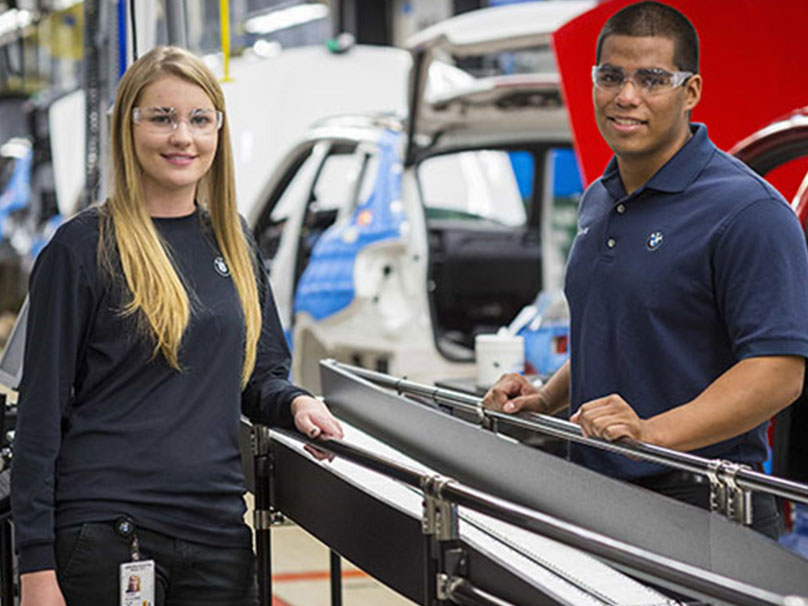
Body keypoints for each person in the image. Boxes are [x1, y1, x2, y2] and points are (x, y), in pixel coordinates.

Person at [11, 45, 343, 606]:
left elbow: (260, 375)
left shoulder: (232, 242)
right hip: (108, 532)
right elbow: (39, 416)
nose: (182, 137)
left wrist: (295, 402)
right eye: (162, 118)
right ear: (129, 127)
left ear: (219, 130)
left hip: (217, 535)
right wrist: (36, 566)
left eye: (199, 119)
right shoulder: (82, 248)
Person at [483, 1, 808, 539]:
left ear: (692, 91)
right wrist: (546, 397)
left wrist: (652, 434)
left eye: (652, 78)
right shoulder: (598, 199)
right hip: (597, 494)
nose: (626, 96)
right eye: (611, 76)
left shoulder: (747, 212)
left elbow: (777, 371)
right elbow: (618, 330)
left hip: (705, 509)